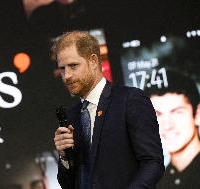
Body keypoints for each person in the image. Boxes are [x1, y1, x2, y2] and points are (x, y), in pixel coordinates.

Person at [52, 31, 164, 189]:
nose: (67, 76)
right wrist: (64, 157)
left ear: (93, 61)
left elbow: (153, 164)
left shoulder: (129, 100)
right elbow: (69, 184)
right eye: (62, 69)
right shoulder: (71, 117)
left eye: (73, 66)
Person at [144, 71, 200, 189]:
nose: (167, 126)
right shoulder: (161, 182)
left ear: (197, 115)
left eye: (177, 112)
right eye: (157, 114)